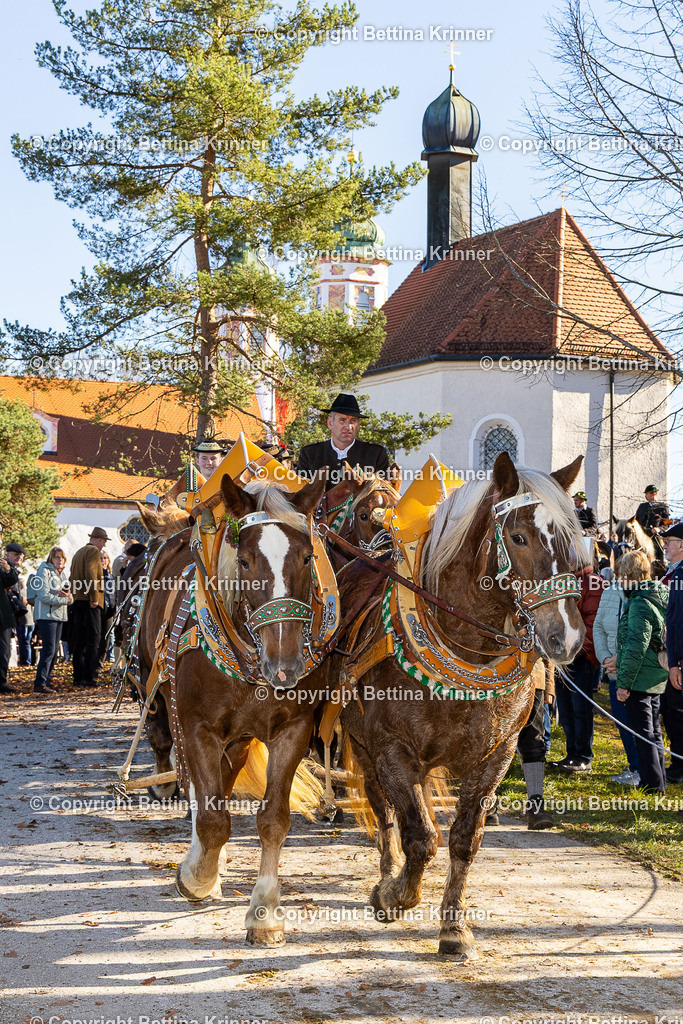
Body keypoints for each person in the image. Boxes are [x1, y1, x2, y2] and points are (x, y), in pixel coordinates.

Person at [615, 550, 669, 795]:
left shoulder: (639, 603)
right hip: (654, 674)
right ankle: (659, 782)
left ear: (627, 575)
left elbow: (636, 646)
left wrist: (623, 683)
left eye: (619, 575)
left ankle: (652, 786)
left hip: (641, 676)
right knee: (654, 732)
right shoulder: (656, 593)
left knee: (644, 733)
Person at [550, 561, 605, 772]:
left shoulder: (592, 583)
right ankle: (571, 753)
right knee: (565, 708)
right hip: (561, 656)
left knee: (580, 708)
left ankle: (583, 756)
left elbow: (593, 624)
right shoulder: (561, 581)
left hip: (580, 657)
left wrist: (577, 651)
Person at [593, 571, 640, 786]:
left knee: (638, 724)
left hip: (636, 673)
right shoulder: (609, 592)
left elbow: (640, 637)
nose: (621, 575)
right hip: (612, 671)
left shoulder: (643, 596)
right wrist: (605, 658)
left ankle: (642, 769)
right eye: (619, 571)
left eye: (626, 571)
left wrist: (620, 660)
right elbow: (598, 627)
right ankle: (633, 765)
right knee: (622, 722)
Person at [296, 393, 391, 490]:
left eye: (353, 421)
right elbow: (301, 494)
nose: (348, 427)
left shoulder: (375, 454)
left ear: (358, 425)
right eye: (342, 420)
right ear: (330, 423)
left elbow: (385, 493)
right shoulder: (310, 454)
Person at [70, 527, 108, 688]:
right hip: (90, 601)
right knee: (94, 639)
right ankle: (89, 677)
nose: (104, 545)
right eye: (104, 541)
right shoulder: (92, 552)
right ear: (99, 540)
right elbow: (91, 574)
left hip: (79, 600)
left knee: (79, 640)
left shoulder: (79, 552)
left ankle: (78, 676)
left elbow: (72, 576)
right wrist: (93, 597)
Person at [32, 547, 72, 694]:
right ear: (51, 558)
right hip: (46, 616)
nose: (59, 560)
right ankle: (39, 683)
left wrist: (68, 597)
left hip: (59, 616)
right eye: (56, 557)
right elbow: (43, 595)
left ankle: (46, 680)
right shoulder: (44, 570)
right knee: (49, 649)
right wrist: (63, 599)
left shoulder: (62, 574)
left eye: (61, 557)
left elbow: (67, 595)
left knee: (54, 650)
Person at [660, 524, 683, 784]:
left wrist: (676, 661)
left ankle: (679, 765)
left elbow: (677, 621)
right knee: (669, 710)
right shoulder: (672, 573)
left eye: (670, 541)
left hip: (678, 656)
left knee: (676, 712)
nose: (665, 545)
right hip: (672, 653)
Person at [5, 543, 34, 666]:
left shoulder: (12, 570)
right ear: (7, 555)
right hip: (5, 614)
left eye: (21, 556)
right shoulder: (5, 568)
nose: (19, 558)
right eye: (16, 555)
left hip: (11, 615)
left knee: (6, 649)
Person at [0, 547, 20, 695]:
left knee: (4, 650)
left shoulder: (2, 566)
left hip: (2, 615)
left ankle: (1, 681)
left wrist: (7, 569)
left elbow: (11, 579)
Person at [635, 485, 670, 560]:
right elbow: (636, 520)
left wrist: (659, 529)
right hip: (642, 535)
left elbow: (667, 523)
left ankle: (662, 562)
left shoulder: (662, 507)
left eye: (647, 494)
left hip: (655, 536)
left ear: (653, 494)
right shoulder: (642, 506)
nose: (645, 496)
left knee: (661, 549)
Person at [98, 549, 116, 670]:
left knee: (106, 639)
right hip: (99, 609)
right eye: (101, 558)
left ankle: (100, 664)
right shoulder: (97, 575)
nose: (103, 561)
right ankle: (95, 665)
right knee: (98, 638)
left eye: (105, 558)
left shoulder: (111, 576)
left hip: (110, 610)